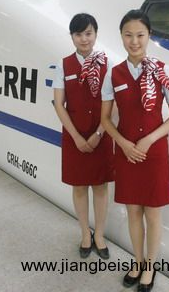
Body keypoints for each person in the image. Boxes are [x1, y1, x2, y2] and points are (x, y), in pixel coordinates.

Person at [101, 9, 169, 292]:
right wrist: (123, 143)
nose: (134, 41)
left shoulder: (163, 70)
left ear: (149, 36)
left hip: (154, 153)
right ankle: (137, 262)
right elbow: (105, 120)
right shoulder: (114, 74)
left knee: (153, 214)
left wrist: (149, 139)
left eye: (140, 35)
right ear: (121, 37)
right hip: (126, 153)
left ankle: (150, 266)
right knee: (133, 211)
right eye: (128, 35)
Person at [53, 13, 113, 260]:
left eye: (89, 33)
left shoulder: (108, 65)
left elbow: (113, 104)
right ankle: (85, 234)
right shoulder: (63, 65)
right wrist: (77, 137)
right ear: (72, 36)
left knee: (100, 186)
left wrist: (99, 132)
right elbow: (59, 104)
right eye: (79, 34)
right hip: (73, 135)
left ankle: (100, 235)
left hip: (102, 133)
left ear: (96, 34)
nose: (84, 39)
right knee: (79, 186)